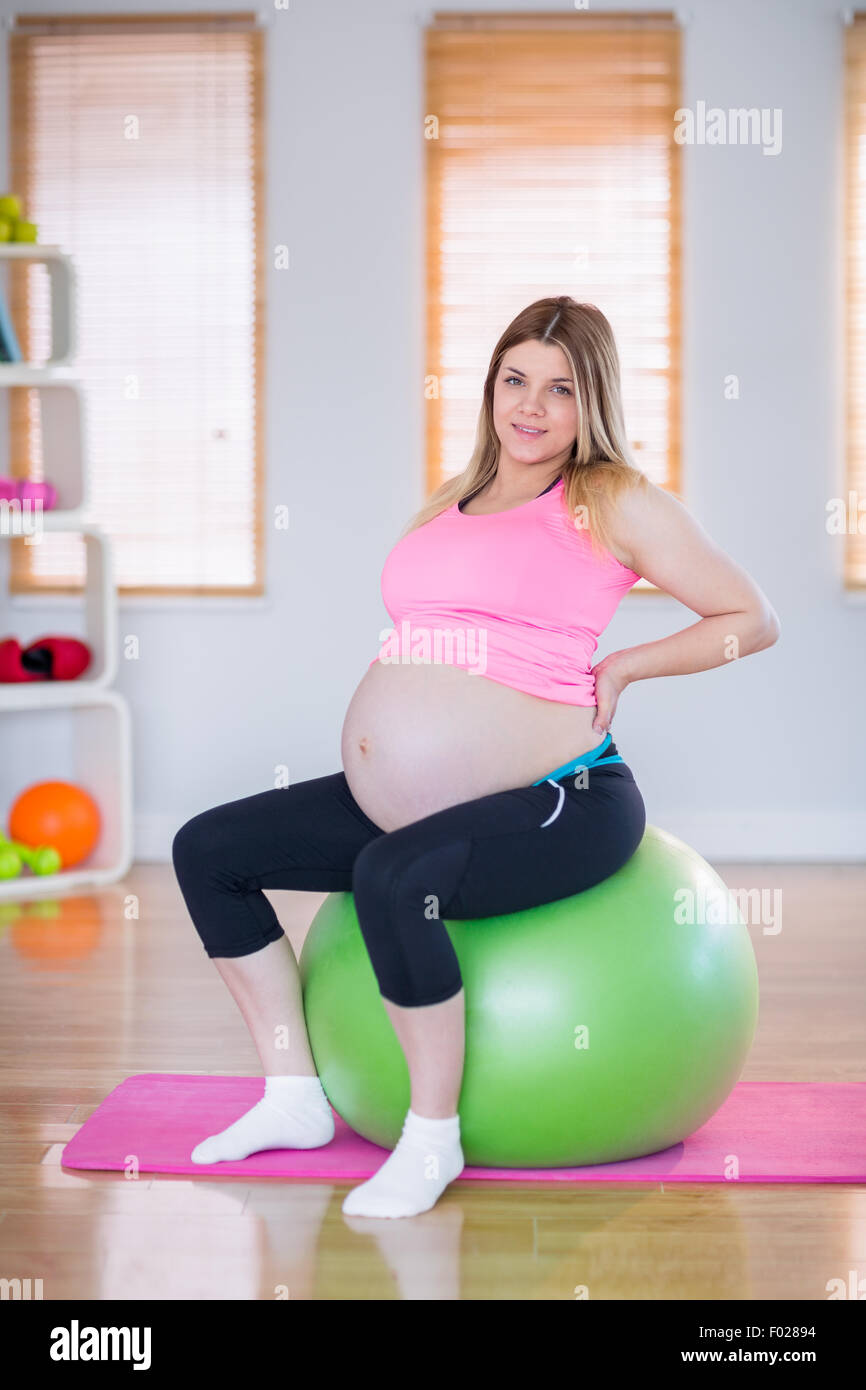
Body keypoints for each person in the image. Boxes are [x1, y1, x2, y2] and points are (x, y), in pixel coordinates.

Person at [171, 295, 781, 1220]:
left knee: (390, 878)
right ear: (491, 386)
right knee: (208, 851)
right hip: (410, 799)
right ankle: (293, 1096)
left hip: (564, 796)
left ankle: (430, 1136)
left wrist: (626, 664)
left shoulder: (608, 498)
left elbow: (752, 619)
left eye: (561, 390)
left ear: (594, 403)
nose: (530, 406)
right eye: (514, 379)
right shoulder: (447, 504)